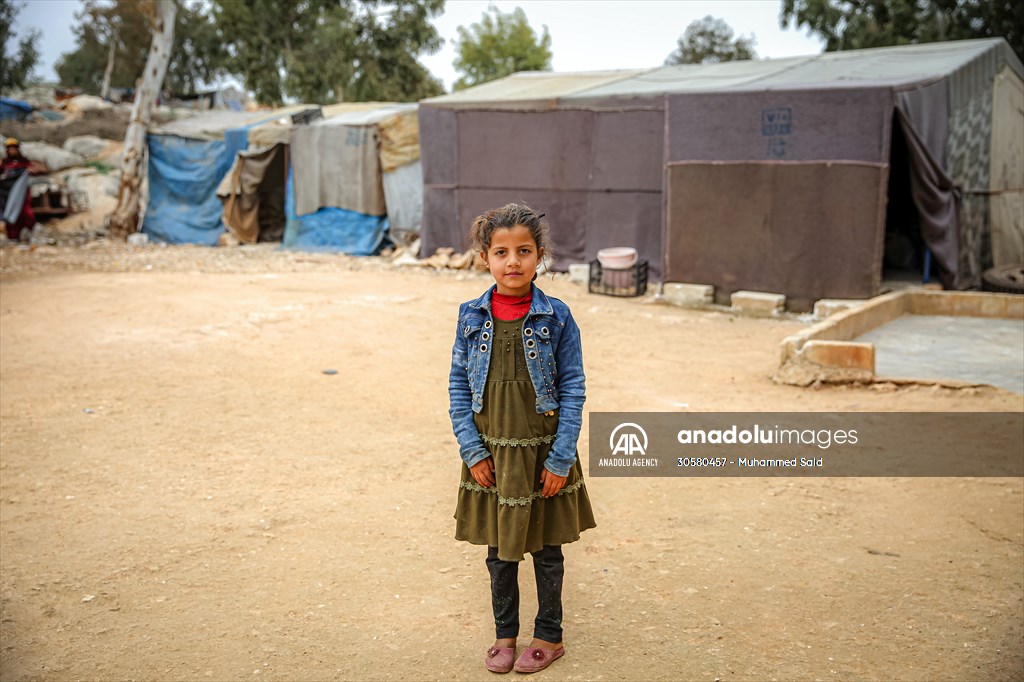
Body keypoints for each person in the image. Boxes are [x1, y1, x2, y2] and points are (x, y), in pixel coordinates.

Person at [448, 202, 596, 674]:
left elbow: (573, 387)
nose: (513, 262)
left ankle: (549, 636)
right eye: (501, 252)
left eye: (524, 251)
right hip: (492, 453)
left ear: (540, 256)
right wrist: (472, 450)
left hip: (543, 452)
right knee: (500, 551)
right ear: (484, 257)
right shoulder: (471, 316)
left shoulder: (556, 317)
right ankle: (505, 634)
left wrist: (560, 457)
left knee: (547, 551)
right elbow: (457, 386)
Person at [0, 138, 35, 241]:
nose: (12, 151)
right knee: (10, 214)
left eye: (14, 148)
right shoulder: (4, 163)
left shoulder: (24, 161)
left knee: (25, 214)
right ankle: (13, 237)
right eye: (10, 149)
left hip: (22, 194)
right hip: (7, 194)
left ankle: (29, 233)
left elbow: (34, 170)